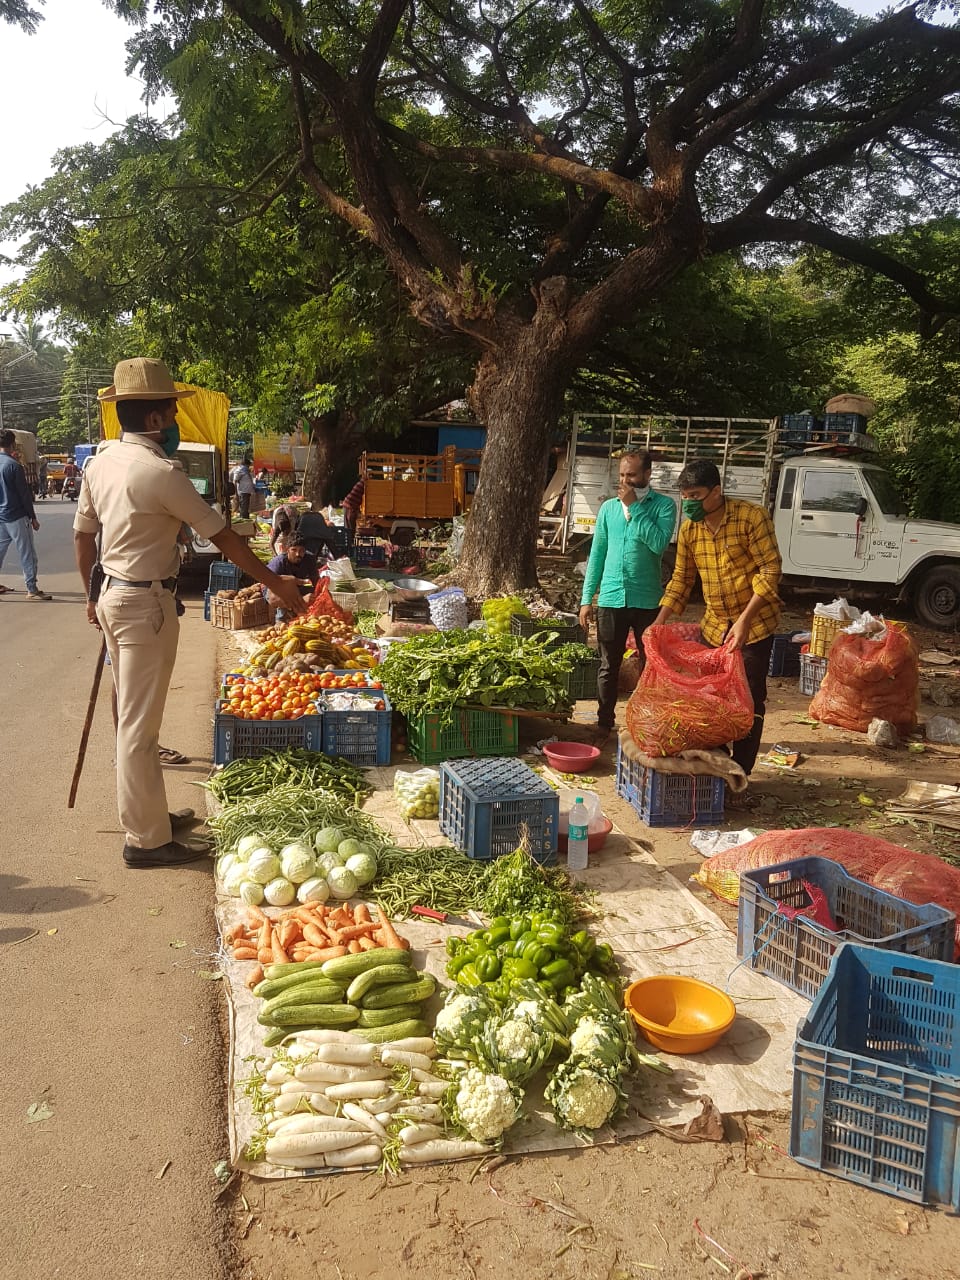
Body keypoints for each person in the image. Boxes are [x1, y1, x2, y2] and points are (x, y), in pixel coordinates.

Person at [73, 357, 306, 870]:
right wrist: (278, 585)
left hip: (116, 597)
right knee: (139, 727)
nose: (176, 423)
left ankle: (151, 816)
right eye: (173, 414)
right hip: (142, 605)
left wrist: (93, 595)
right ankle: (145, 842)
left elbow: (83, 535)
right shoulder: (160, 472)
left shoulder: (101, 462)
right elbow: (224, 539)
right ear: (157, 419)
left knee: (136, 718)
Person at [652, 459, 782, 779]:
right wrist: (659, 621)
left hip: (754, 626)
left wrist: (744, 621)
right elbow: (681, 579)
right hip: (714, 628)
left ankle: (743, 772)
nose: (689, 503)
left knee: (748, 700)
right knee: (714, 699)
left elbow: (771, 570)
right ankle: (720, 766)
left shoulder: (751, 518)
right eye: (685, 497)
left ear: (717, 492)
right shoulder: (690, 529)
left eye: (695, 495)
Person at [578, 449, 676, 744]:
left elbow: (658, 544)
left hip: (647, 602)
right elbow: (597, 555)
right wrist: (587, 599)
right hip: (610, 598)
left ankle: (644, 722)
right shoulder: (608, 509)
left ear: (647, 474)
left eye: (631, 475)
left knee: (649, 666)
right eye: (622, 475)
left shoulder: (664, 506)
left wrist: (635, 508)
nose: (625, 480)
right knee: (609, 665)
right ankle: (604, 723)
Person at [0, 430, 52, 600]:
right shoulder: (14, 466)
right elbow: (24, 495)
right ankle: (31, 587)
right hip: (16, 516)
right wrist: (33, 517)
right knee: (27, 552)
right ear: (13, 444)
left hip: (1, 516)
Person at [264, 532, 321, 619]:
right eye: (294, 550)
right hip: (274, 589)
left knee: (313, 590)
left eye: (301, 550)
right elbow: (272, 596)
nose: (298, 554)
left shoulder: (310, 559)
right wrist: (302, 600)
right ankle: (280, 618)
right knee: (279, 595)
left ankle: (302, 614)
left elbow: (316, 581)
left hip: (297, 587)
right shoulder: (278, 563)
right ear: (287, 550)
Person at [232, 454, 256, 518]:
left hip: (246, 492)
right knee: (244, 508)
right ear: (245, 464)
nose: (249, 467)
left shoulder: (245, 470)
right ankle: (244, 519)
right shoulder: (240, 470)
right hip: (243, 492)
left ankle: (245, 517)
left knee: (245, 508)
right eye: (248, 465)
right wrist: (235, 493)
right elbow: (235, 481)